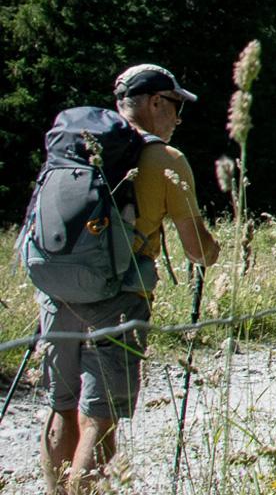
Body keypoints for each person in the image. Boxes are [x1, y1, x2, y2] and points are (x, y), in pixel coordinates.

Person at [39, 64, 221, 495]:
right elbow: (196, 248)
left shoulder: (78, 147)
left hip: (55, 291)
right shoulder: (163, 158)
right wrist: (212, 252)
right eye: (175, 107)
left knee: (61, 408)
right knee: (98, 419)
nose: (178, 119)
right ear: (155, 102)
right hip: (118, 295)